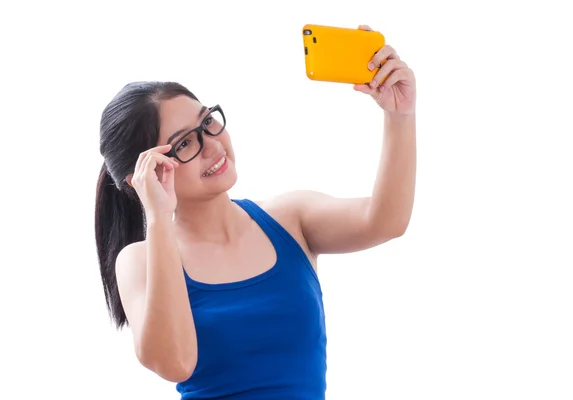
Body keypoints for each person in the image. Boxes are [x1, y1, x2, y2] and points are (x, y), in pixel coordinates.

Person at [94, 25, 416, 400]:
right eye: (184, 143)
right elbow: (176, 363)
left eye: (207, 122)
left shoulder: (290, 218)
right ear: (144, 176)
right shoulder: (139, 261)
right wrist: (160, 217)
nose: (212, 145)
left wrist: (400, 116)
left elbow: (386, 220)